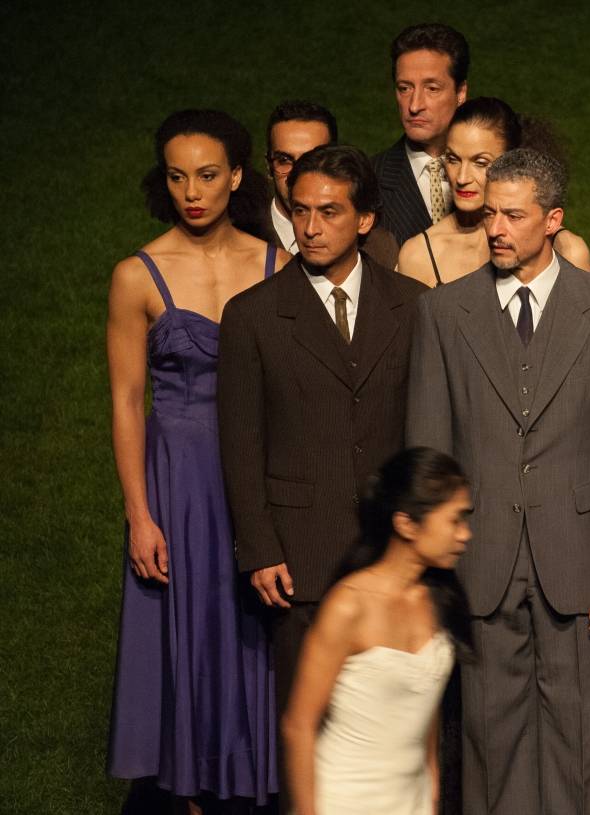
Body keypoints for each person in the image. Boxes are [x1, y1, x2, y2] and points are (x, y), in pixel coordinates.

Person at [407, 148, 590, 815]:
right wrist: (432, 568)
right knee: (490, 735)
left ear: (553, 219)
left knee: (580, 735)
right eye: (490, 214)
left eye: (513, 215)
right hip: (479, 558)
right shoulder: (443, 312)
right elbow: (428, 453)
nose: (496, 228)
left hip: (577, 557)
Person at [218, 144, 428, 802]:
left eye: (329, 212)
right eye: (301, 211)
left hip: (392, 560)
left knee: (397, 734)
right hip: (301, 558)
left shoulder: (415, 305)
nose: (310, 227)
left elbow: (426, 433)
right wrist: (259, 547)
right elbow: (240, 442)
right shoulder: (252, 315)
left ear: (365, 219)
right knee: (312, 734)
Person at [107, 109, 285, 808]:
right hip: (178, 480)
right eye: (178, 176)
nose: (192, 192)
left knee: (252, 627)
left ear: (236, 177)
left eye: (207, 175)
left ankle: (252, 776)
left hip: (256, 474)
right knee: (187, 628)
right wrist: (139, 514)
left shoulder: (276, 264)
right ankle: (188, 785)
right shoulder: (137, 275)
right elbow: (127, 401)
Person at [281, 447, 474, 815]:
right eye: (455, 521)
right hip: (345, 802)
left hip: (411, 803)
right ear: (407, 524)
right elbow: (299, 725)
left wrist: (432, 789)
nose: (465, 534)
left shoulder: (438, 599)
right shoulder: (348, 606)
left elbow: (423, 699)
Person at [397, 97, 590, 286]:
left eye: (480, 163)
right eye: (453, 159)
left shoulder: (566, 250)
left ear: (511, 161)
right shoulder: (418, 255)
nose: (462, 178)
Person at [260, 100, 400, 269]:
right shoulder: (243, 238)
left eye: (312, 160)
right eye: (284, 160)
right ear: (269, 166)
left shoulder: (380, 247)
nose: (298, 174)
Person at [373, 23, 468, 245]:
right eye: (405, 88)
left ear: (461, 92)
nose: (414, 105)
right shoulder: (369, 179)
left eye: (432, 88)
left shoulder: (498, 175)